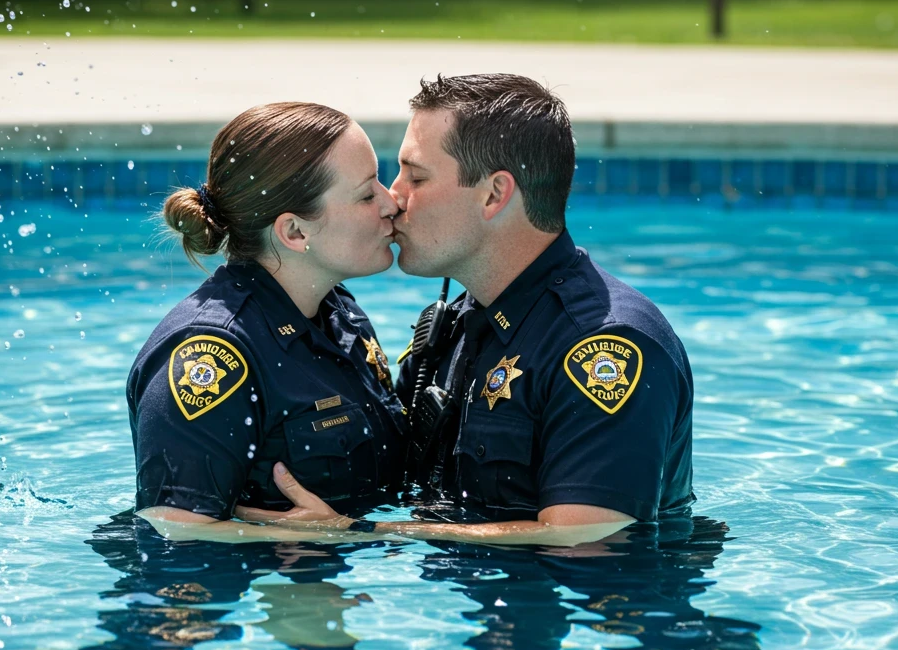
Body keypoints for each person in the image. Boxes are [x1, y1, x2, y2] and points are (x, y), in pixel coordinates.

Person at [240, 74, 694, 546]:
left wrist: (358, 532)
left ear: (494, 195)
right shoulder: (459, 323)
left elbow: (587, 542)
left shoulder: (604, 345)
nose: (393, 198)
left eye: (416, 177)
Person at [128, 102, 409, 542]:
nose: (392, 202)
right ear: (295, 232)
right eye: (366, 193)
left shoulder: (339, 313)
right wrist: (339, 534)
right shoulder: (213, 354)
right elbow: (174, 533)